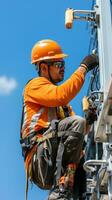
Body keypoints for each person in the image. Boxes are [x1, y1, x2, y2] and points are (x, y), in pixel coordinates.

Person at [20, 39, 98, 200]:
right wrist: (83, 68)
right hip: (40, 158)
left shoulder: (62, 106)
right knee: (76, 122)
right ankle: (61, 189)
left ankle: (75, 194)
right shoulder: (35, 86)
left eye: (63, 64)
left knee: (82, 146)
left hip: (51, 157)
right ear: (43, 67)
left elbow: (78, 133)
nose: (63, 68)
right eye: (58, 64)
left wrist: (89, 120)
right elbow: (61, 95)